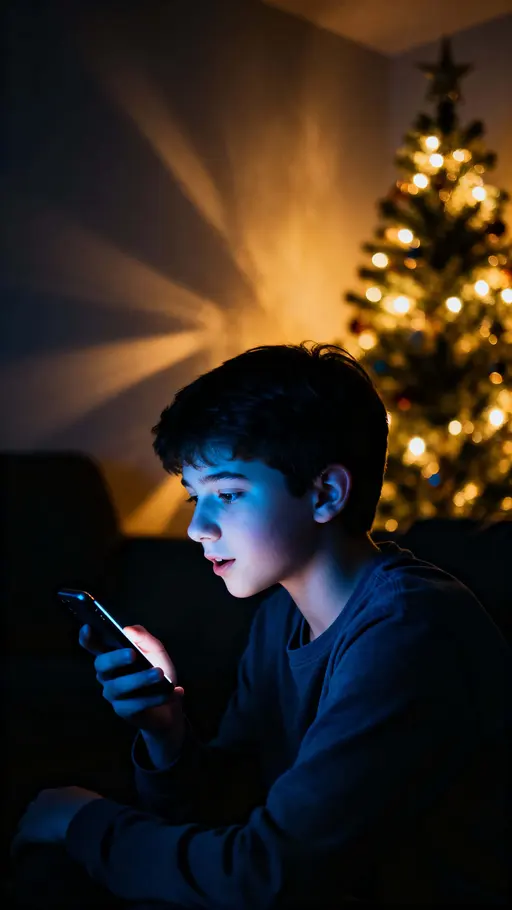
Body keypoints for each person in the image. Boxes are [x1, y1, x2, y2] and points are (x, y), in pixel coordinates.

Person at [10, 342, 510, 907]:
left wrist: (82, 823)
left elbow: (268, 876)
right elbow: (229, 812)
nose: (198, 527)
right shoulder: (281, 615)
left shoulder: (410, 629)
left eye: (227, 493)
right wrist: (167, 731)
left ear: (325, 493)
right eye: (195, 497)